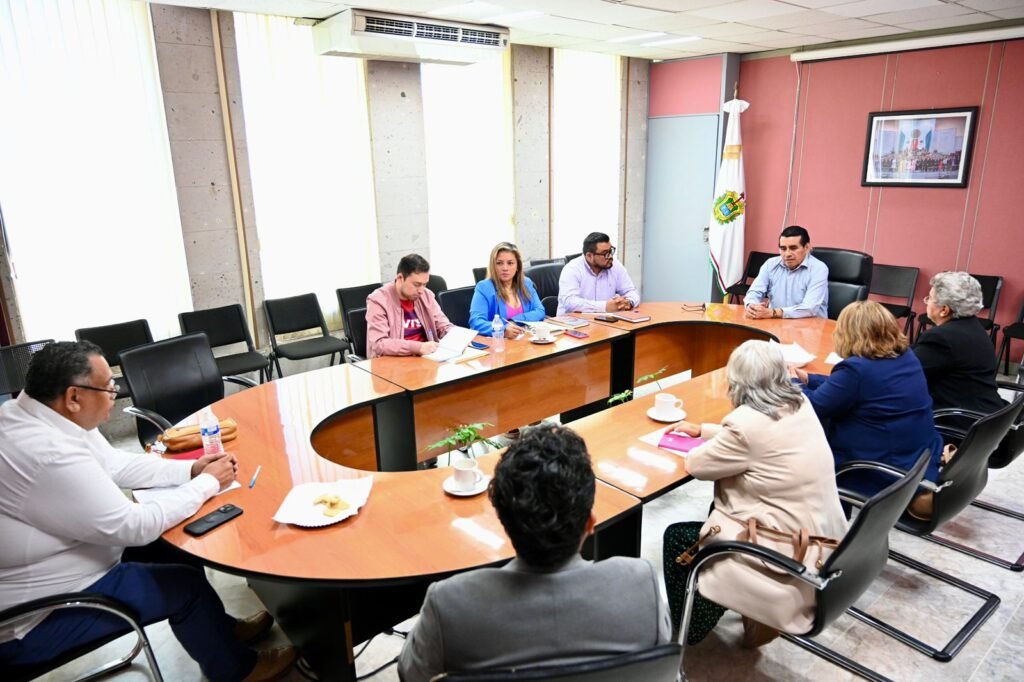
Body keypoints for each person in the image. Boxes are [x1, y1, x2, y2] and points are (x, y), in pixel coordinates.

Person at [0, 341, 295, 681]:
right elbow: (135, 526)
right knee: (185, 587)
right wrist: (208, 483)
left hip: (76, 559)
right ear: (74, 397)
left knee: (180, 544)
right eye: (108, 388)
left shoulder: (42, 414)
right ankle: (236, 671)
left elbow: (116, 464)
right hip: (38, 618)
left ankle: (219, 631)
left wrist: (192, 470)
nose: (115, 394)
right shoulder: (46, 453)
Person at [398, 424, 670, 681]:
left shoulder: (448, 604)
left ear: (504, 523)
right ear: (590, 523)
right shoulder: (641, 583)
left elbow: (412, 674)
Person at [668, 341, 848, 647]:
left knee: (679, 537)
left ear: (736, 383)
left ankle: (691, 630)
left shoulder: (746, 425)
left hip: (786, 549)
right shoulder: (799, 403)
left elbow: (697, 464)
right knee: (721, 507)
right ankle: (751, 616)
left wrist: (705, 438)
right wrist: (704, 431)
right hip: (822, 537)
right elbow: (759, 440)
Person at [792, 301, 944, 499]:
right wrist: (809, 379)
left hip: (879, 470)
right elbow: (845, 388)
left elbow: (813, 407)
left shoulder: (857, 369)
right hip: (915, 460)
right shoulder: (905, 356)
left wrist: (792, 381)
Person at [913, 271, 1006, 413]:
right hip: (985, 413)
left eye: (929, 298)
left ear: (944, 310)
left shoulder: (941, 338)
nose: (926, 301)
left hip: (957, 418)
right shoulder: (973, 327)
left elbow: (907, 372)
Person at [366, 253, 453, 358]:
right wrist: (418, 347)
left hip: (426, 358)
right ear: (400, 278)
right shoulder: (378, 300)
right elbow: (379, 344)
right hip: (395, 361)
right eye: (417, 284)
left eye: (425, 284)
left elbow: (443, 326)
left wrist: (459, 337)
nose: (421, 290)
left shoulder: (427, 295)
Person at [744, 225, 829, 319]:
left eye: (793, 248)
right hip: (776, 323)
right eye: (783, 249)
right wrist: (751, 306)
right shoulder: (770, 264)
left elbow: (810, 308)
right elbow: (755, 291)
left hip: (809, 325)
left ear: (807, 247)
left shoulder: (819, 268)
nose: (787, 254)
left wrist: (774, 312)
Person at [468, 242, 545, 338]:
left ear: (518, 266)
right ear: (493, 266)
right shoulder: (484, 288)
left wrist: (514, 320)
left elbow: (540, 311)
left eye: (510, 263)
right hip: (497, 343)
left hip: (524, 340)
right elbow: (476, 322)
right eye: (499, 263)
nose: (505, 268)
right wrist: (502, 329)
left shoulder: (526, 283)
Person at [557, 232, 639, 316]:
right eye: (605, 253)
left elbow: (631, 291)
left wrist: (629, 302)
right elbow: (570, 302)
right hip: (572, 322)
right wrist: (605, 307)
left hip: (604, 321)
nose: (610, 256)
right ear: (589, 256)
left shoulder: (615, 266)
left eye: (611, 251)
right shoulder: (572, 269)